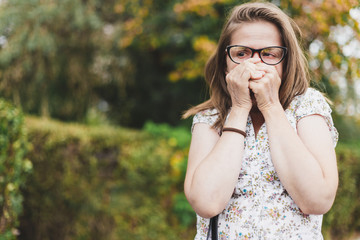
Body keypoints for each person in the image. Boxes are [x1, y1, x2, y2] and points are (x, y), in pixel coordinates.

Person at [183, 2, 338, 239]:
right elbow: (206, 202)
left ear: (285, 61)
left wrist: (270, 106)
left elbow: (317, 199)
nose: (254, 64)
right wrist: (239, 108)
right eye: (241, 53)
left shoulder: (307, 106)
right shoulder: (209, 118)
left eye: (269, 54)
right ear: (226, 60)